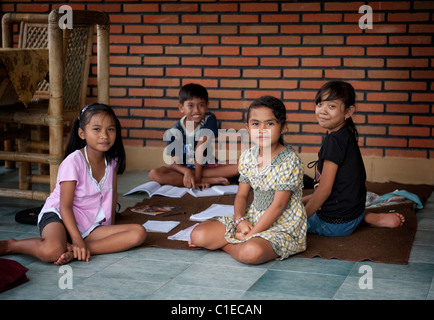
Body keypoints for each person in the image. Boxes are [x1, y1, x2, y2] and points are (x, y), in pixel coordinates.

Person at [0, 103, 146, 265]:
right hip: (60, 216)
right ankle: (11, 245)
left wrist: (108, 228)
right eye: (96, 129)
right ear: (82, 133)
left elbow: (112, 195)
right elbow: (65, 206)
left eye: (110, 129)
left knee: (138, 233)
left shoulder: (112, 161)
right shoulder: (73, 162)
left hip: (89, 223)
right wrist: (77, 239)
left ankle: (75, 251)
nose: (104, 135)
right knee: (52, 251)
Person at [189, 96, 307, 265]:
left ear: (283, 127)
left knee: (251, 252)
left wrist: (249, 236)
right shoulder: (248, 156)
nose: (262, 130)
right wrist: (239, 221)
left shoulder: (290, 160)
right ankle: (236, 242)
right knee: (198, 235)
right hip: (252, 219)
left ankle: (227, 245)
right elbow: (242, 196)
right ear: (247, 128)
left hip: (282, 225)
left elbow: (278, 206)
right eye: (256, 124)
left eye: (270, 123)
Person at [303, 81, 405, 237]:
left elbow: (324, 191)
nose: (322, 111)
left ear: (348, 112)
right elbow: (334, 188)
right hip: (354, 213)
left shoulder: (334, 141)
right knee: (296, 203)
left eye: (331, 106)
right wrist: (302, 200)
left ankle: (362, 219)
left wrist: (298, 219)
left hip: (333, 223)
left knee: (279, 218)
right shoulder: (346, 133)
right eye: (319, 104)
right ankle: (366, 218)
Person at [148, 83, 238, 189]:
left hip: (207, 168)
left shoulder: (209, 118)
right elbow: (175, 163)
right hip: (185, 170)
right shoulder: (174, 132)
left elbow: (200, 149)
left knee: (243, 165)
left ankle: (194, 180)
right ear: (181, 107)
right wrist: (187, 172)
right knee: (154, 174)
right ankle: (211, 181)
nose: (196, 110)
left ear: (207, 105)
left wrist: (197, 178)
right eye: (190, 105)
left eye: (201, 105)